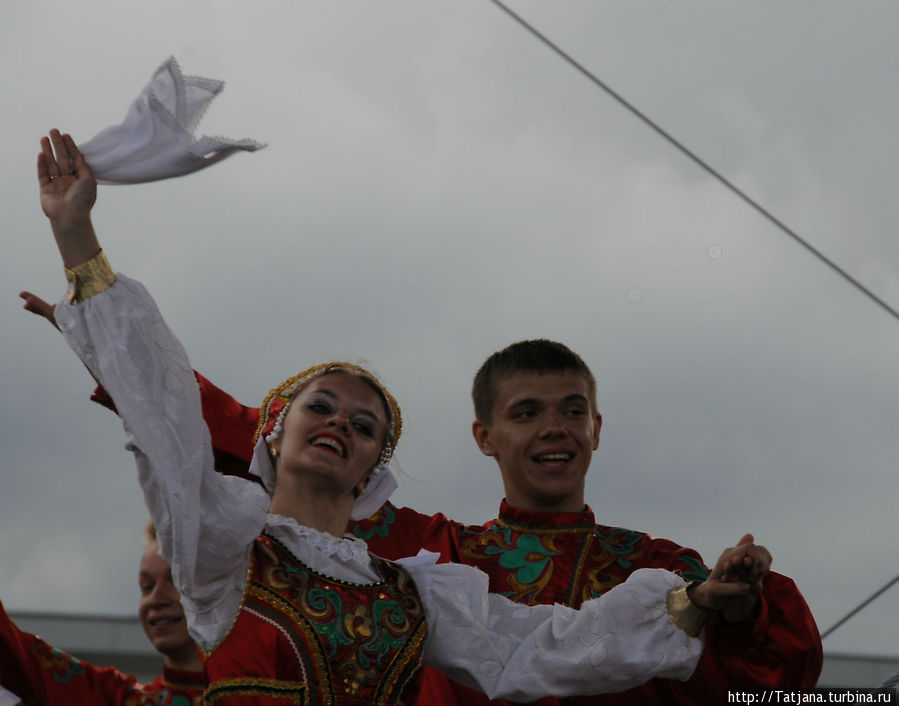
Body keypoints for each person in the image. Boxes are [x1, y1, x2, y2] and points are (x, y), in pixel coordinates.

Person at [37, 129, 755, 704]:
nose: (340, 425)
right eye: (321, 406)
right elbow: (168, 427)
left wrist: (690, 601)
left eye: (363, 425)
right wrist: (78, 239)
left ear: (370, 469)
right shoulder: (225, 548)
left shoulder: (416, 589)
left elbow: (545, 649)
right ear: (273, 431)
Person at [352, 339, 824, 704]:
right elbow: (310, 512)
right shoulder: (430, 553)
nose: (554, 427)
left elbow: (761, 685)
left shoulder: (657, 566)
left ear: (595, 429)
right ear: (485, 437)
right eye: (527, 412)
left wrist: (741, 612)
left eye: (572, 411)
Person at [0, 521, 204, 705]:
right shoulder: (113, 698)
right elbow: (12, 652)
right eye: (147, 586)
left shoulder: (235, 697)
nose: (155, 599)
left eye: (177, 582)